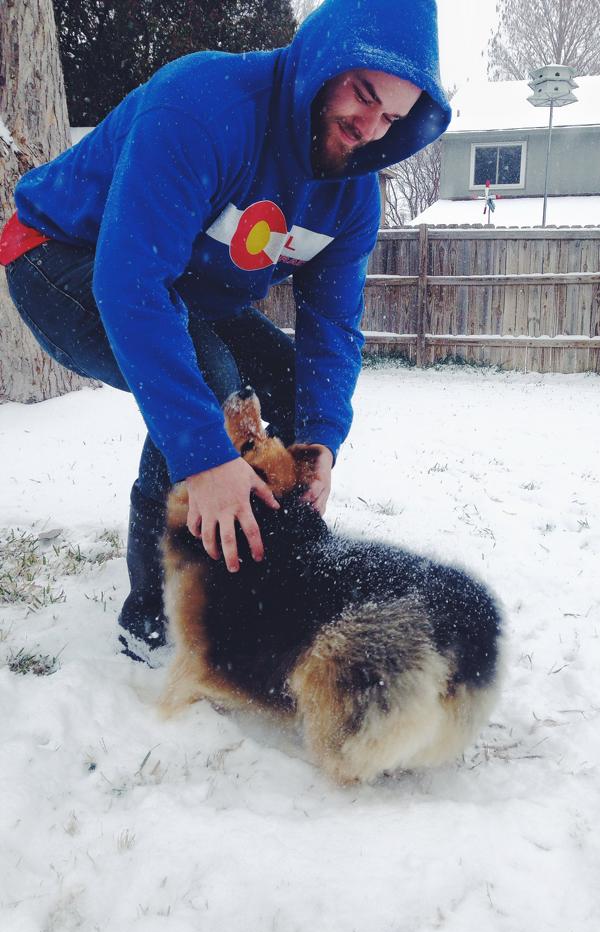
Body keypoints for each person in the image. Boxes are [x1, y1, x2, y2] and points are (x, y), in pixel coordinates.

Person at [1, 0, 451, 663]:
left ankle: (264, 574)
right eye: (362, 94)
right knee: (213, 398)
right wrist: (204, 460)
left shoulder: (353, 198)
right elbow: (130, 285)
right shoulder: (203, 105)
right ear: (322, 59)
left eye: (391, 118)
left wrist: (321, 443)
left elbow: (332, 329)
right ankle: (153, 616)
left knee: (293, 395)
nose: (368, 127)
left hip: (182, 284)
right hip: (59, 255)